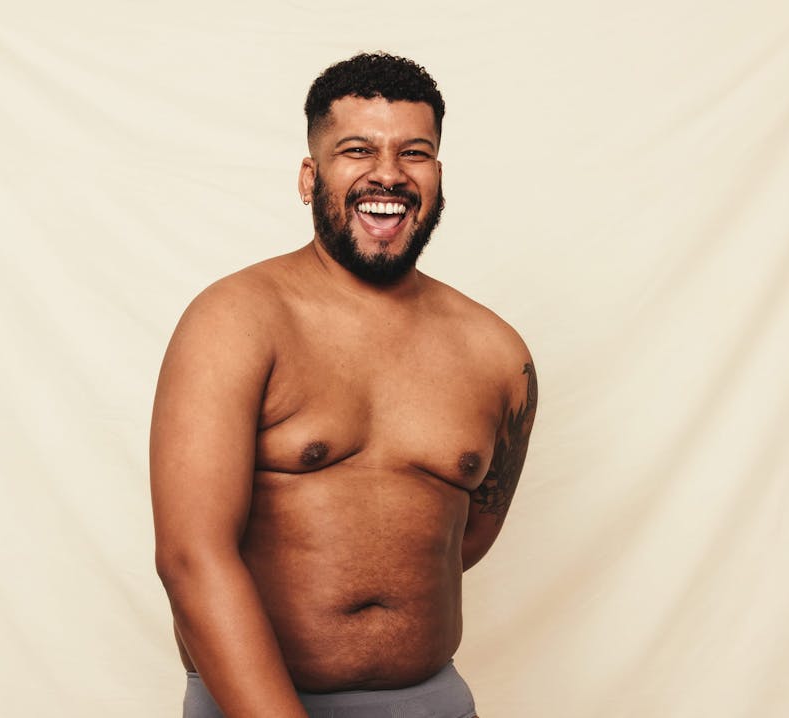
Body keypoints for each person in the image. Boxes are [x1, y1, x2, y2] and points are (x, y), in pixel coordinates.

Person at [150, 52, 537, 718]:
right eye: (357, 150)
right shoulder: (236, 320)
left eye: (414, 153)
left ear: (438, 178)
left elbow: (463, 540)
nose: (388, 173)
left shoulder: (499, 355)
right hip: (254, 703)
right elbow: (191, 557)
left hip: (432, 701)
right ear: (310, 176)